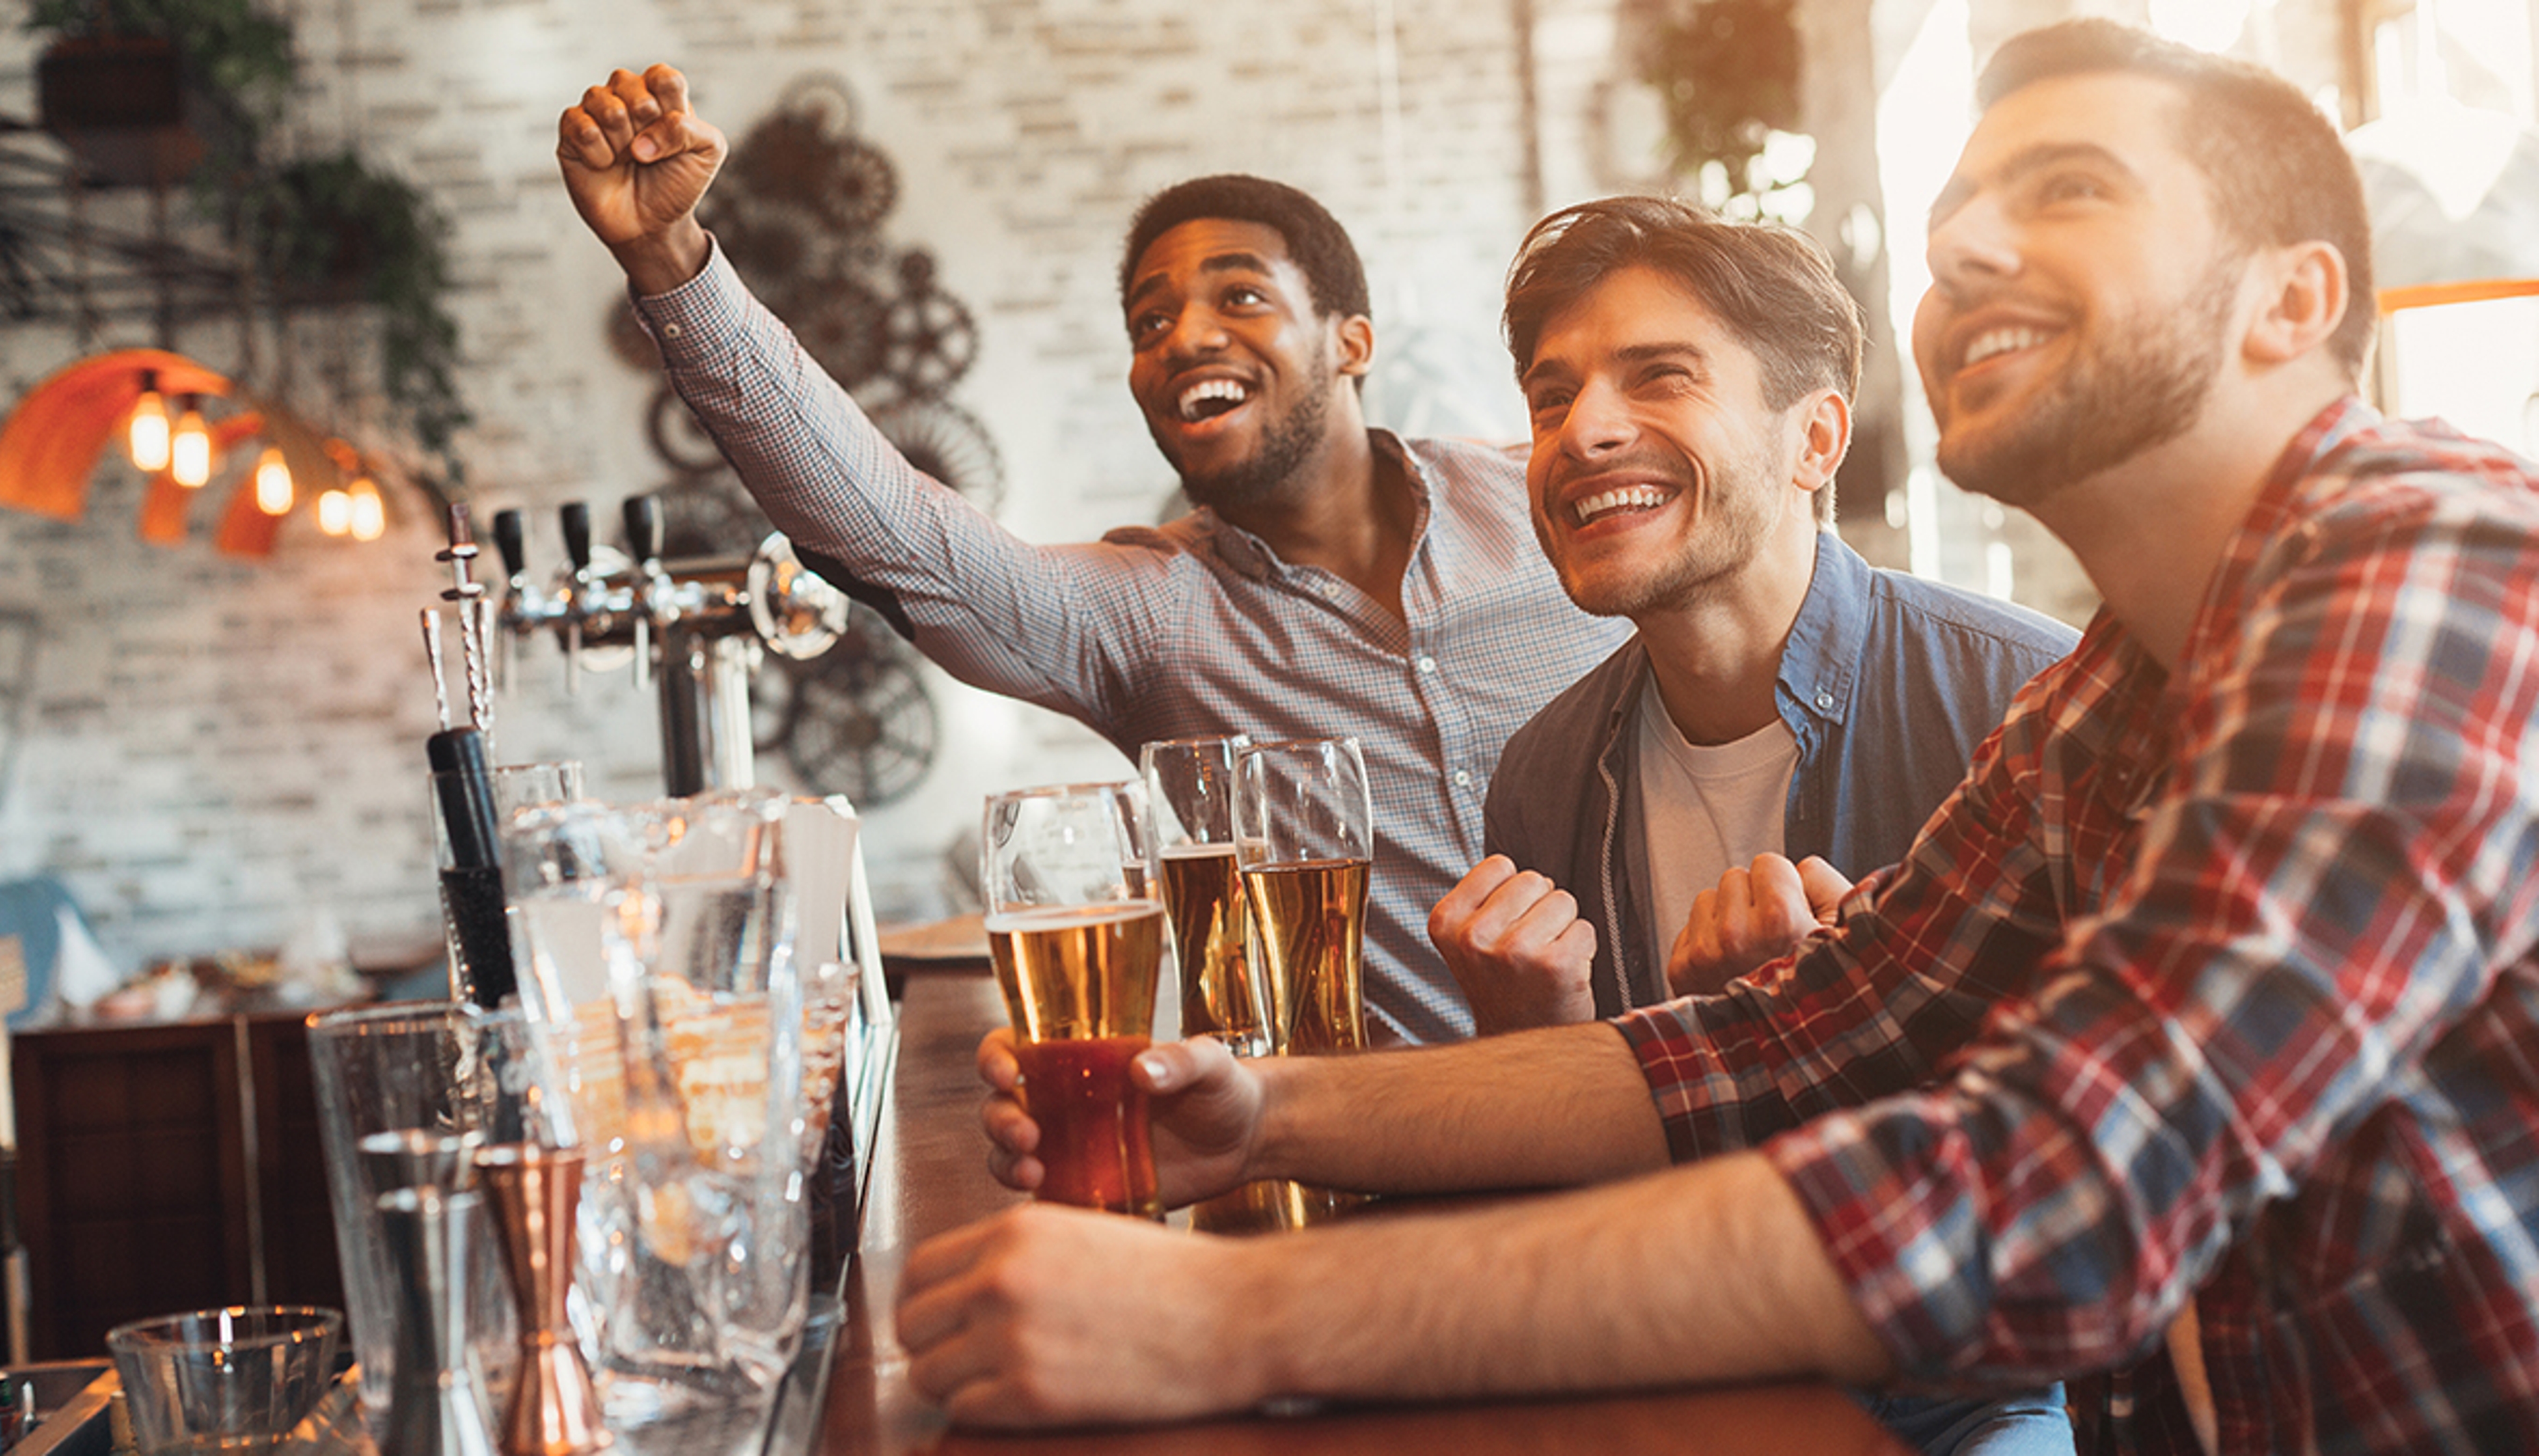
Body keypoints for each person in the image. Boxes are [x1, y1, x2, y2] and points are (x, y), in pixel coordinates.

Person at [905, 20, 2539, 1452]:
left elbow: (2053, 1182)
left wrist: (1219, 1322)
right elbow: (1775, 1044)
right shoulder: (2110, 691)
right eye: (1958, 207)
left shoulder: (2433, 567)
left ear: (2290, 298)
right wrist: (1256, 1115)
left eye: (2067, 190)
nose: (1962, 242)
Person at [554, 73, 1629, 1045]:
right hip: (1375, 1180)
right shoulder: (1153, 615)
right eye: (1150, 321)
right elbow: (894, 532)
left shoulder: (1544, 503)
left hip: (1669, 1111)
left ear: (1352, 341)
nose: (1186, 337)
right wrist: (671, 261)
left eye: (1241, 296)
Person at [1426, 196, 2074, 1035]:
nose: (1581, 431)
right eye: (1552, 399)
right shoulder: (1542, 780)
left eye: (1660, 375)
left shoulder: (2028, 703)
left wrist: (1798, 1030)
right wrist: (1536, 1049)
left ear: (1814, 442)